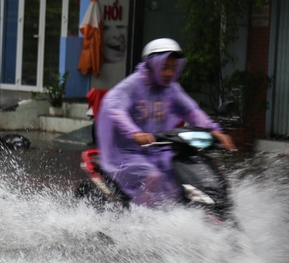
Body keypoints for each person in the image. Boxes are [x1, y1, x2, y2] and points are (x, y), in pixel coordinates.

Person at [95, 38, 235, 207]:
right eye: (164, 68)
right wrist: (135, 132)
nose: (169, 73)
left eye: (173, 68)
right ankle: (142, 218)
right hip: (127, 154)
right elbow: (114, 107)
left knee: (187, 171)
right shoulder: (133, 85)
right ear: (152, 65)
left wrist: (215, 131)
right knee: (154, 176)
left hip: (158, 149)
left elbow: (191, 111)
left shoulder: (171, 88)